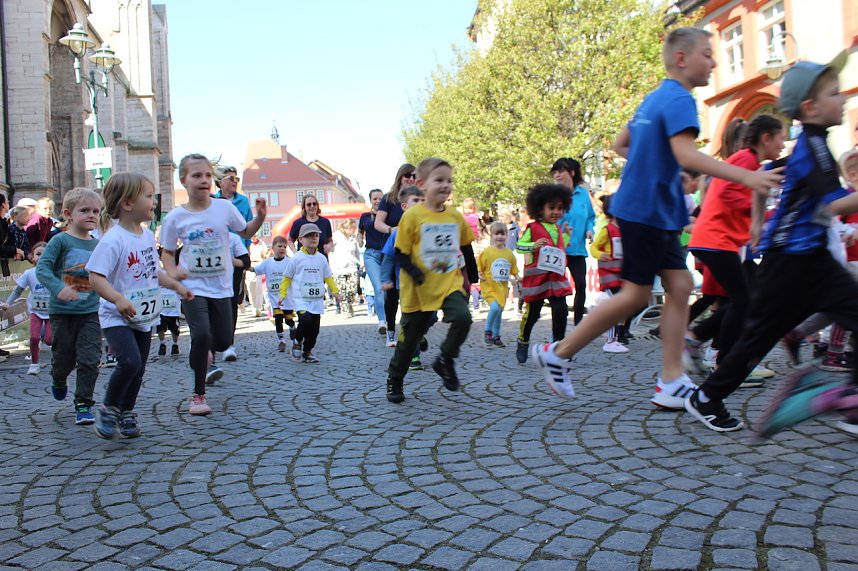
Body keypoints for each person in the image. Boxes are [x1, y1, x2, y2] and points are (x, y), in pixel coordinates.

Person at [531, 27, 783, 405]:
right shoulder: (681, 98)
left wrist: (653, 164)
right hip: (647, 210)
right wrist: (747, 176)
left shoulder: (655, 98)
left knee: (680, 285)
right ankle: (559, 353)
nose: (714, 62)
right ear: (681, 59)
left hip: (654, 211)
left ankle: (671, 380)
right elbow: (685, 154)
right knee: (635, 294)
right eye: (707, 54)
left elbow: (621, 143)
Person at [684, 50, 858, 434]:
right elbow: (833, 204)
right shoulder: (813, 149)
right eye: (834, 93)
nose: (843, 97)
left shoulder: (812, 145)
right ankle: (706, 397)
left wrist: (760, 221)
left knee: (768, 332)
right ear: (810, 107)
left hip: (808, 258)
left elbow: (767, 179)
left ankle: (851, 403)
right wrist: (760, 224)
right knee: (757, 336)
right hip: (791, 262)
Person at [87, 173, 192, 439]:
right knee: (130, 362)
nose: (154, 201)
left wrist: (176, 286)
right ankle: (109, 408)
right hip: (117, 317)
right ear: (127, 203)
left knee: (139, 367)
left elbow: (153, 271)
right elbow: (95, 277)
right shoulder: (113, 239)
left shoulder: (145, 236)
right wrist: (118, 299)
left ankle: (127, 411)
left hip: (144, 316)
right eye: (148, 196)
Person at [160, 153, 266, 416]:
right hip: (192, 287)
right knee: (200, 335)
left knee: (222, 340)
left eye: (208, 175)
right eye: (197, 175)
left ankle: (205, 351)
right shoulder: (175, 217)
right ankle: (198, 395)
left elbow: (245, 231)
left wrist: (260, 217)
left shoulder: (224, 208)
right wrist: (173, 272)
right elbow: (168, 253)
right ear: (184, 180)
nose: (204, 180)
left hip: (221, 286)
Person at [685, 115, 785, 373]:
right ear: (766, 138)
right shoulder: (746, 159)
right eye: (781, 139)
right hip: (715, 239)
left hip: (721, 241)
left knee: (740, 299)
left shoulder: (750, 162)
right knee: (743, 299)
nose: (783, 145)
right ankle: (723, 360)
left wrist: (760, 219)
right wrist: (759, 211)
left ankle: (699, 341)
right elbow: (729, 194)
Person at [385, 157, 478, 404]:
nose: (446, 185)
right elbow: (400, 252)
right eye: (439, 180)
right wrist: (415, 272)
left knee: (463, 317)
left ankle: (445, 359)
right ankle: (395, 378)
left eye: (449, 180)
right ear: (422, 184)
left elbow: (466, 247)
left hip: (448, 283)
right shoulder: (412, 216)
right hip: (418, 288)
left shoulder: (455, 216)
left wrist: (472, 278)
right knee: (408, 342)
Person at [35, 187, 104, 425]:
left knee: (90, 359)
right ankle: (58, 377)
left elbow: (105, 275)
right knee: (64, 359)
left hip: (90, 312)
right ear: (68, 214)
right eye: (84, 210)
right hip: (62, 313)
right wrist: (59, 288)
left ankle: (83, 404)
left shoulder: (98, 245)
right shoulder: (60, 240)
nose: (91, 215)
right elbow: (42, 269)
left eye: (96, 211)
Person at [515, 184, 573, 364]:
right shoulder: (532, 228)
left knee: (561, 311)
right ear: (540, 209)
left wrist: (567, 236)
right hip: (537, 279)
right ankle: (523, 340)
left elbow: (559, 248)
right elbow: (519, 246)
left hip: (556, 279)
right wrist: (533, 245)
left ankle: (558, 347)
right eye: (552, 208)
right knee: (532, 314)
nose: (556, 212)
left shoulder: (558, 229)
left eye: (560, 208)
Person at [380, 185, 430, 364]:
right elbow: (388, 258)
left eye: (423, 200)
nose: (420, 204)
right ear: (404, 206)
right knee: (409, 320)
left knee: (430, 316)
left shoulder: (430, 229)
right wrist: (385, 279)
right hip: (406, 284)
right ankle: (413, 356)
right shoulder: (398, 232)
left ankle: (420, 334)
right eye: (416, 200)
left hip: (428, 283)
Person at [279, 223, 340, 363]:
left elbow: (328, 277)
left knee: (314, 329)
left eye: (316, 235)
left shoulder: (321, 258)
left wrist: (335, 292)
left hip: (316, 300)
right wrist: (282, 294)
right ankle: (297, 341)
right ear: (301, 239)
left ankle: (307, 351)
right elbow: (287, 277)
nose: (313, 238)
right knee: (305, 320)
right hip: (301, 299)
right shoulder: (296, 258)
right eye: (309, 236)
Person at [553, 158, 596, 325]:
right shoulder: (552, 195)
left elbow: (590, 217)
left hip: (578, 249)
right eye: (555, 172)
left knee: (581, 285)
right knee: (558, 289)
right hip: (558, 250)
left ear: (571, 173)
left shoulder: (583, 194)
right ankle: (558, 328)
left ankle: (578, 324)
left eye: (560, 171)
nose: (557, 175)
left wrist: (589, 229)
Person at [373, 164, 414, 336]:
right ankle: (390, 330)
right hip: (392, 248)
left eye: (414, 176)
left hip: (413, 250)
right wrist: (392, 230)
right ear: (400, 177)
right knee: (392, 293)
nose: (411, 179)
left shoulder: (418, 198)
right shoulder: (389, 199)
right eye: (407, 175)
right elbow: (378, 223)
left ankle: (411, 329)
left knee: (411, 290)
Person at [1, 241, 51, 374]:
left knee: (49, 340)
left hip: (52, 312)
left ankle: (62, 357)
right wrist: (8, 303)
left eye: (46, 254)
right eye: (38, 254)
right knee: (34, 338)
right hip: (35, 311)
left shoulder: (55, 273)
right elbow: (18, 291)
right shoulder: (29, 273)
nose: (42, 257)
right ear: (32, 257)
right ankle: (34, 364)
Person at [589, 195, 630, 353]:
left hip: (623, 274)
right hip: (609, 274)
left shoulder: (626, 229)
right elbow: (594, 247)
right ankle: (610, 340)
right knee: (616, 305)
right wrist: (601, 255)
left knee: (623, 306)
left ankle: (616, 335)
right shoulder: (607, 230)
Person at [478, 221, 519, 348]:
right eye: (496, 234)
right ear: (491, 235)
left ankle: (496, 336)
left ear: (507, 235)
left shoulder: (509, 253)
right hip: (489, 287)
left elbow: (513, 268)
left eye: (502, 234)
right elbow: (480, 266)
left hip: (502, 289)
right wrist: (479, 274)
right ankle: (488, 332)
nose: (499, 237)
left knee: (499, 312)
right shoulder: (487, 252)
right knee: (495, 308)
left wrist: (518, 277)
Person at [251, 235, 293, 351]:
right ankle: (281, 341)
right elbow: (255, 269)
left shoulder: (290, 262)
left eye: (284, 247)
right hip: (274, 298)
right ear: (273, 248)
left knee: (288, 319)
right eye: (279, 246)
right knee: (278, 319)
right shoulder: (267, 263)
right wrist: (244, 266)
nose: (282, 249)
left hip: (287, 298)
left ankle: (292, 328)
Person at [359, 189, 387, 329]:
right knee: (378, 287)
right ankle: (382, 321)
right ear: (370, 200)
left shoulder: (388, 215)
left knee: (387, 289)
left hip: (387, 255)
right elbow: (360, 231)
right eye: (375, 199)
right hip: (371, 255)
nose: (377, 201)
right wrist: (359, 239)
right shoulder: (365, 216)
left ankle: (388, 317)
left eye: (380, 198)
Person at [221, 232, 251, 362]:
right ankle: (201, 344)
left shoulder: (232, 238)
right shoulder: (197, 235)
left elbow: (246, 262)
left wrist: (230, 260)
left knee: (229, 313)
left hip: (228, 285)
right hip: (204, 284)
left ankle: (228, 345)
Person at [214, 166, 253, 246]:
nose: (235, 181)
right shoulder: (213, 201)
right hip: (219, 248)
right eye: (231, 178)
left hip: (240, 248)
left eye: (237, 179)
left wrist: (247, 248)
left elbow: (248, 227)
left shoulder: (244, 201)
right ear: (220, 182)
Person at [330, 219, 360, 317]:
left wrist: (359, 262)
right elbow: (330, 250)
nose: (352, 230)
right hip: (339, 268)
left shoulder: (353, 237)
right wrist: (331, 266)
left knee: (352, 290)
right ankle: (345, 310)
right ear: (345, 228)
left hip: (352, 267)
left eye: (353, 228)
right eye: (350, 228)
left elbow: (356, 252)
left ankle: (350, 303)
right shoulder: (336, 236)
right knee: (341, 291)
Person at [245, 235, 269, 317]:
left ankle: (258, 307)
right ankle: (253, 305)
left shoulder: (262, 244)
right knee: (251, 287)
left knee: (259, 288)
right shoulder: (248, 244)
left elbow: (265, 255)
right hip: (250, 265)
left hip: (259, 265)